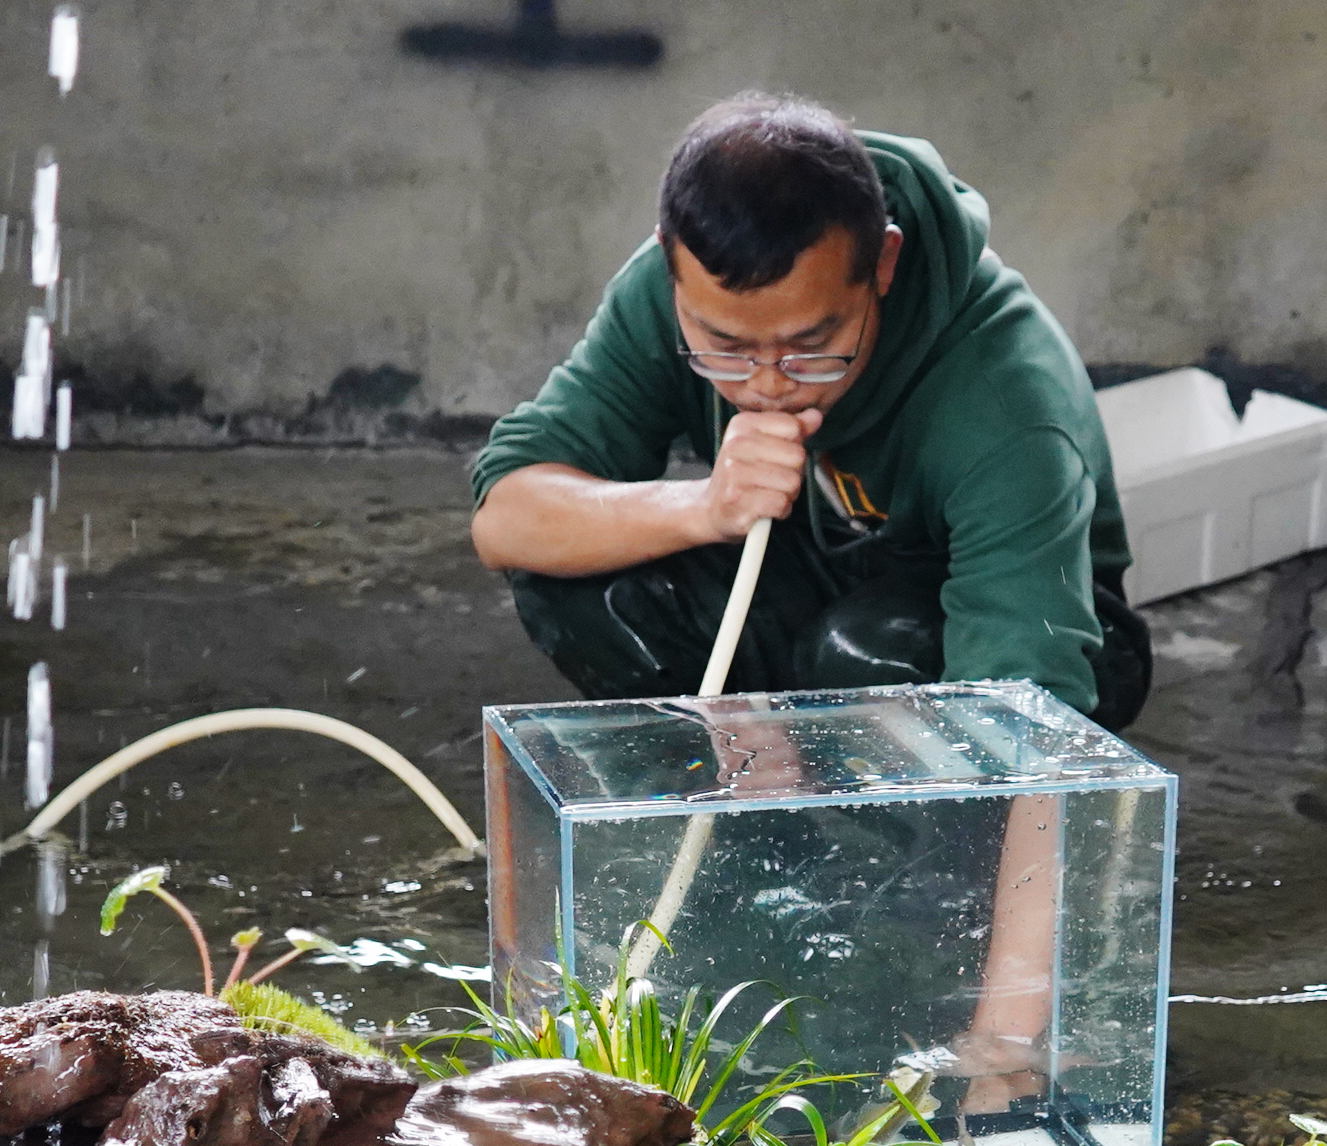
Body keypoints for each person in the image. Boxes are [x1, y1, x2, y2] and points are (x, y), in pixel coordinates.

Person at [470, 93, 1149, 728]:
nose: (767, 385)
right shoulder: (663, 289)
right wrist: (703, 508)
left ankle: (876, 838)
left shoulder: (1005, 394)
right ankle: (740, 804)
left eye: (812, 345)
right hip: (815, 574)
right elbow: (508, 516)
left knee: (862, 654)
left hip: (1044, 625)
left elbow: (1022, 706)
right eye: (725, 348)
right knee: (587, 585)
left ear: (883, 263)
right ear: (672, 262)